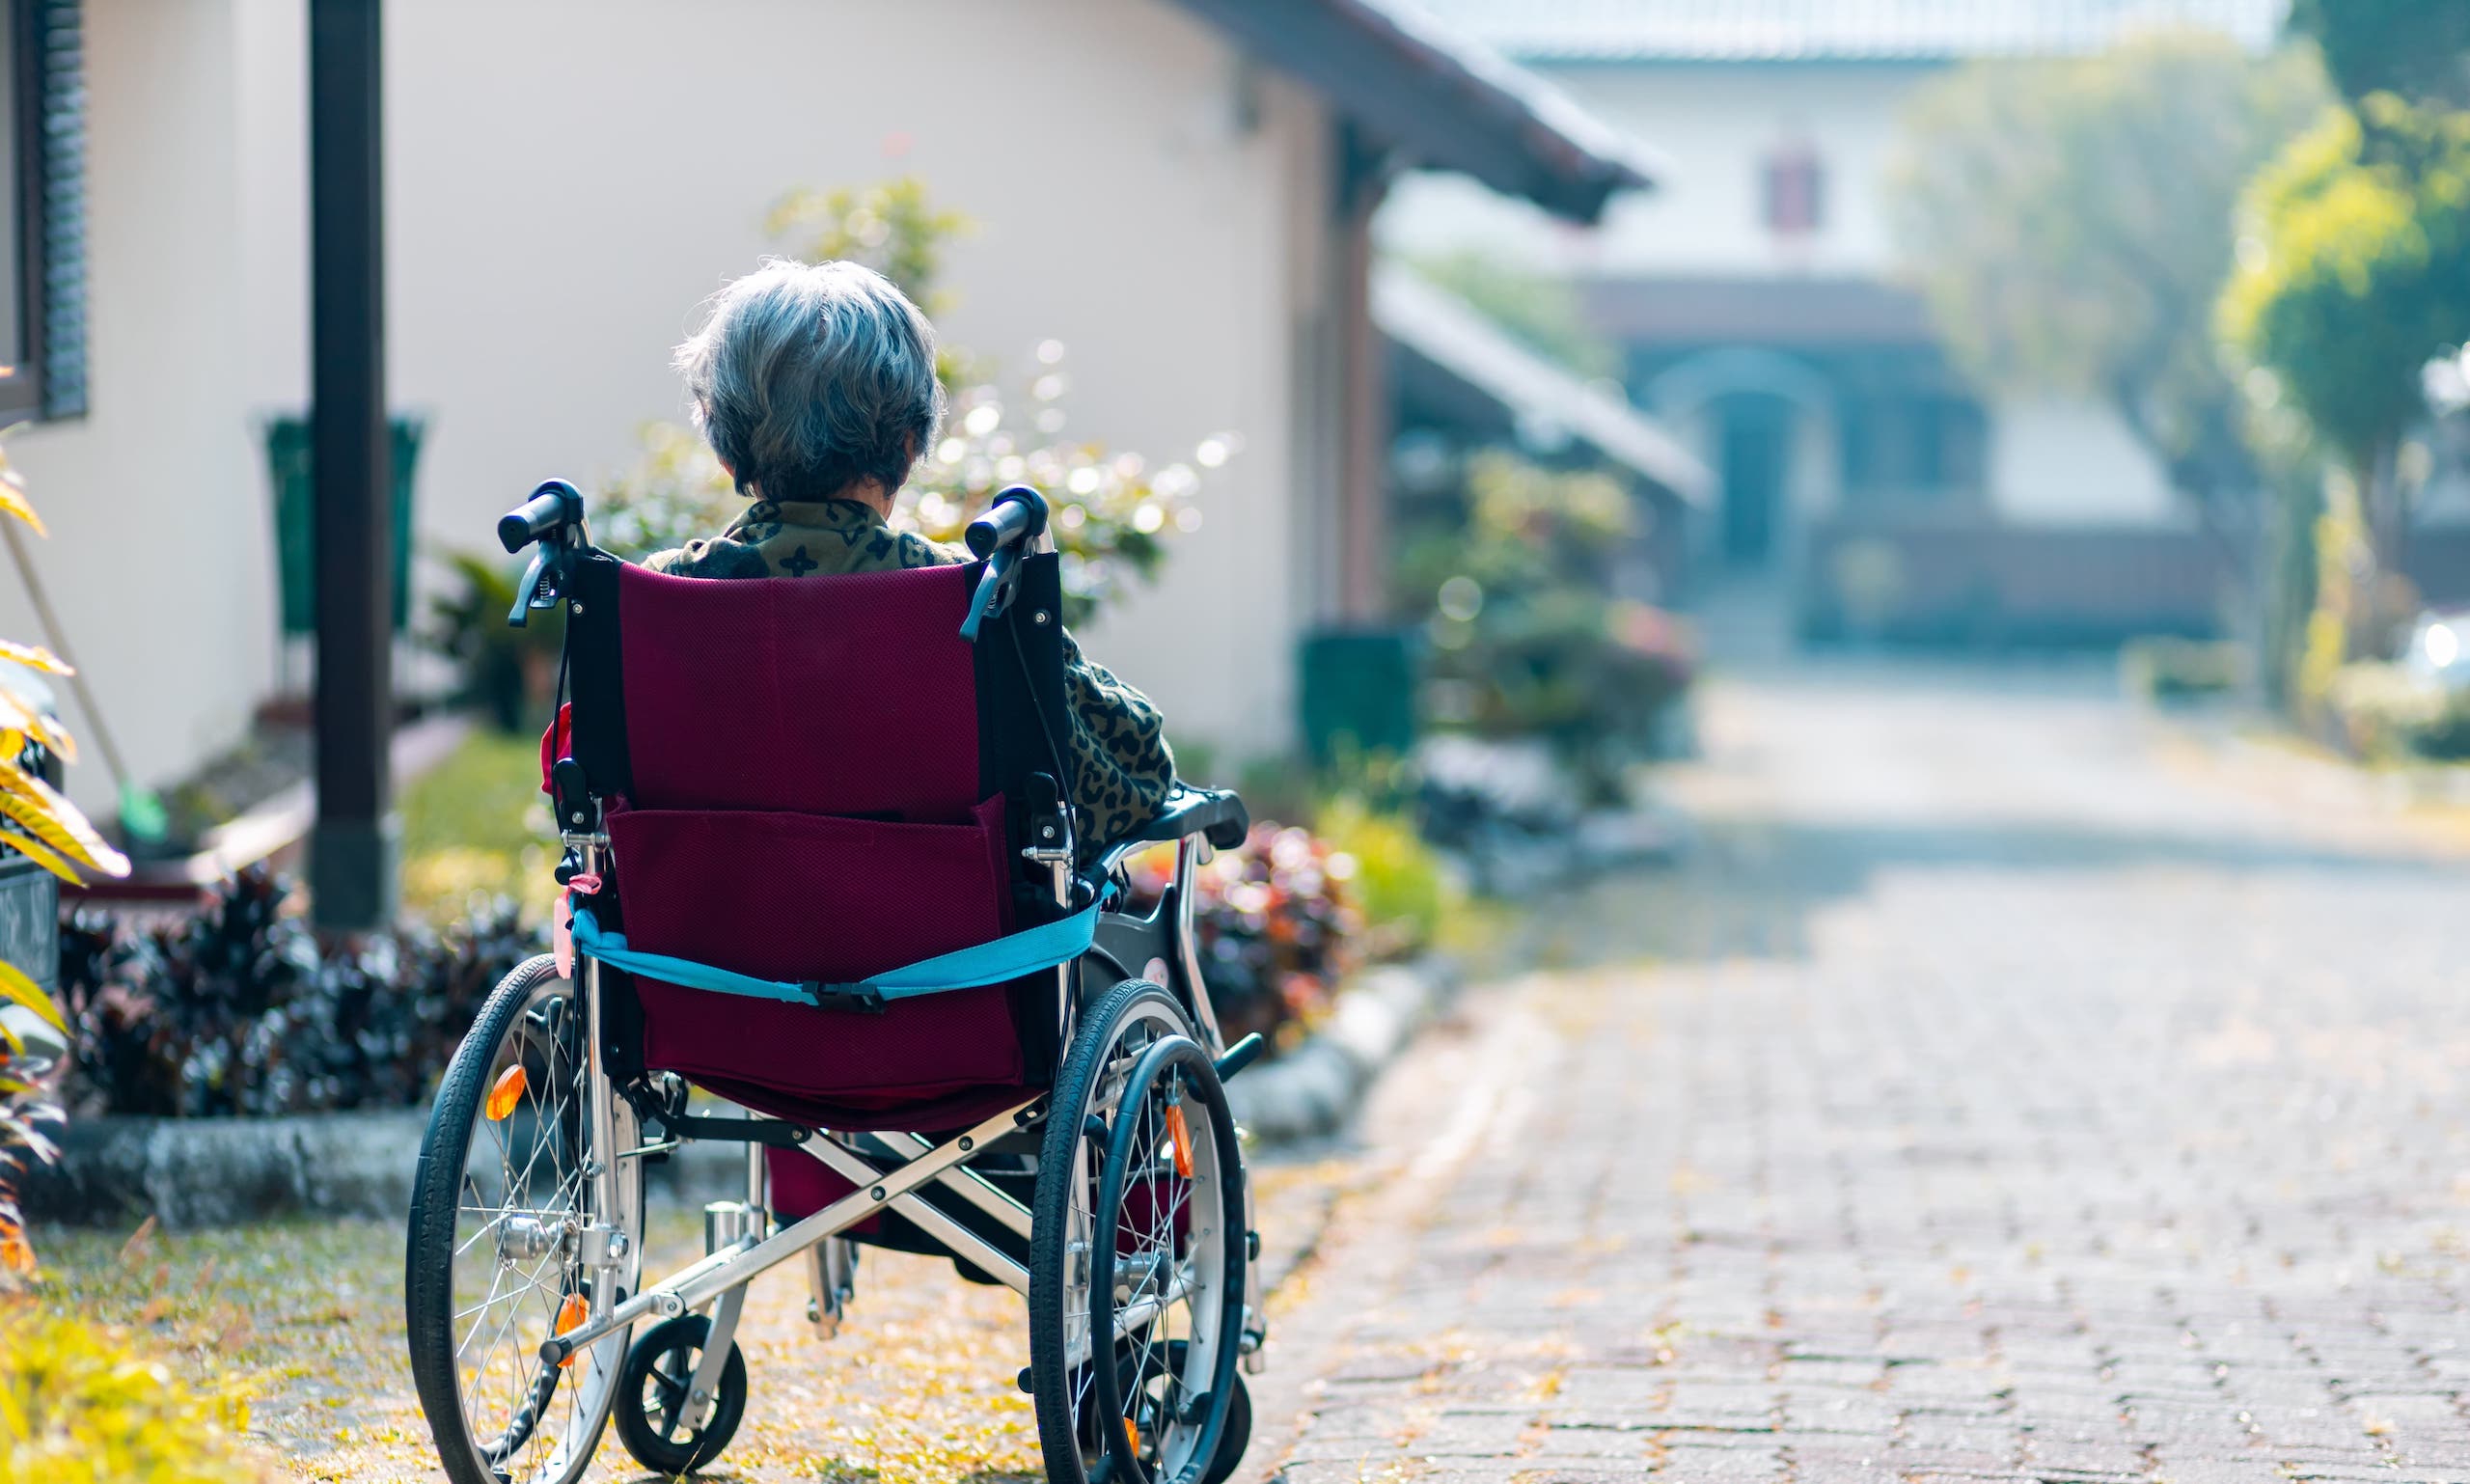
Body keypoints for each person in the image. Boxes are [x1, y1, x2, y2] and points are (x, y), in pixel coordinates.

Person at [645, 258, 1176, 851]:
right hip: (944, 939)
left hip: (704, 937)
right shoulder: (971, 596)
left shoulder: (654, 601)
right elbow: (1133, 777)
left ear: (727, 451)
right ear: (907, 446)